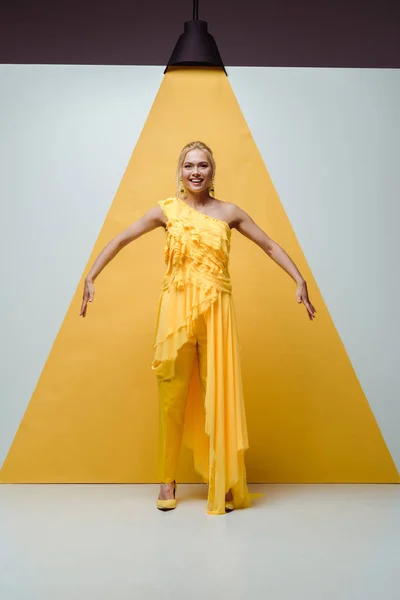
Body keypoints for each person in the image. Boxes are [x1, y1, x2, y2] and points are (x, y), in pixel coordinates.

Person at [80, 140, 316, 515]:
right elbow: (123, 237)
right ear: (180, 171)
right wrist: (92, 274)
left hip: (217, 313)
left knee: (217, 394)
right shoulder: (166, 211)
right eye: (189, 165)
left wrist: (299, 280)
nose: (195, 172)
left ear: (212, 172)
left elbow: (269, 246)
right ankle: (167, 478)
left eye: (202, 166)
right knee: (171, 399)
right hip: (175, 309)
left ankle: (221, 477)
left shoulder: (229, 213)